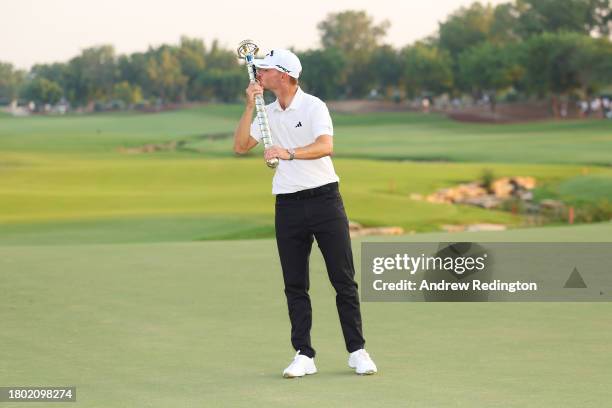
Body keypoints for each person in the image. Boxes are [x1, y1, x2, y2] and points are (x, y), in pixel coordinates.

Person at [233, 49, 377, 378]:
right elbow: (241, 146)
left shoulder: (313, 106)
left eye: (266, 70)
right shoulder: (265, 111)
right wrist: (247, 106)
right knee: (295, 284)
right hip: (288, 204)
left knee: (343, 281)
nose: (260, 75)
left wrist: (289, 153)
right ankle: (304, 354)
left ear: (283, 76)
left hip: (326, 200)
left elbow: (325, 146)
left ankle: (357, 351)